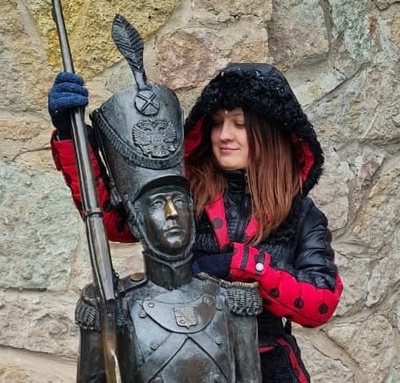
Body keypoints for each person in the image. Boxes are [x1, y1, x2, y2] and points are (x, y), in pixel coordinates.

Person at [49, 22, 343, 381]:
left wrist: (243, 266)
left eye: (239, 124)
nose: (223, 135)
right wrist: (70, 134)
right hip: (191, 365)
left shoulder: (302, 215)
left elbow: (320, 303)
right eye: (217, 122)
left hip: (272, 369)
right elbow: (112, 218)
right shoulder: (188, 193)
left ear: (269, 132)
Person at [72, 15, 262, 383]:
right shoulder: (114, 307)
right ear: (137, 218)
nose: (173, 212)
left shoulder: (230, 301)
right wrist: (68, 132)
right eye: (157, 204)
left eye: (179, 199)